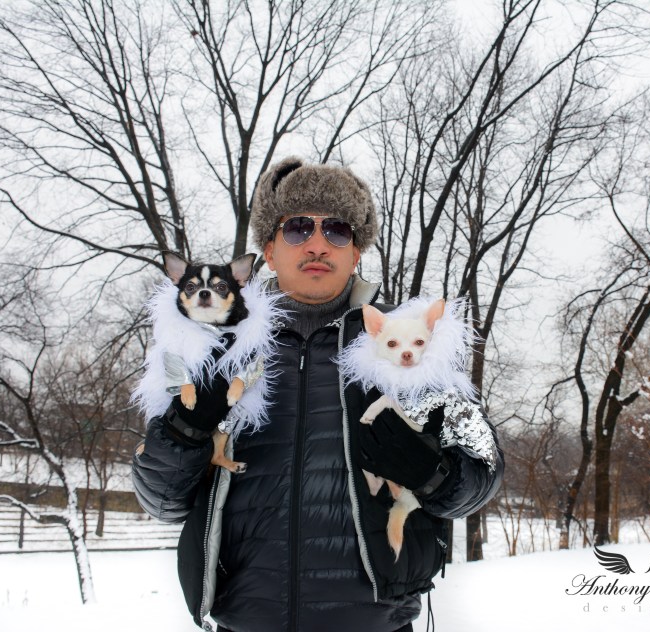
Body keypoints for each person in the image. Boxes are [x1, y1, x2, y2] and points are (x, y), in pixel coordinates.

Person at [132, 157, 503, 632]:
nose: (317, 243)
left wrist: (434, 475)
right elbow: (161, 502)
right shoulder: (212, 347)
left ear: (356, 253)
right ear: (269, 250)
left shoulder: (408, 343)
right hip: (246, 620)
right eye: (297, 228)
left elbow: (482, 477)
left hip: (376, 623)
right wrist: (183, 434)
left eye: (338, 230)